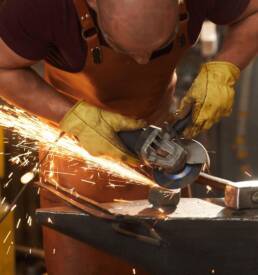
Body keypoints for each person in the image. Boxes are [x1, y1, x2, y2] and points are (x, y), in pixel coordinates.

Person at [0, 0, 257, 274]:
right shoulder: (38, 7)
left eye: (161, 45)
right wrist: (75, 119)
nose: (142, 61)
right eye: (122, 48)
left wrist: (224, 68)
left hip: (158, 146)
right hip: (75, 153)